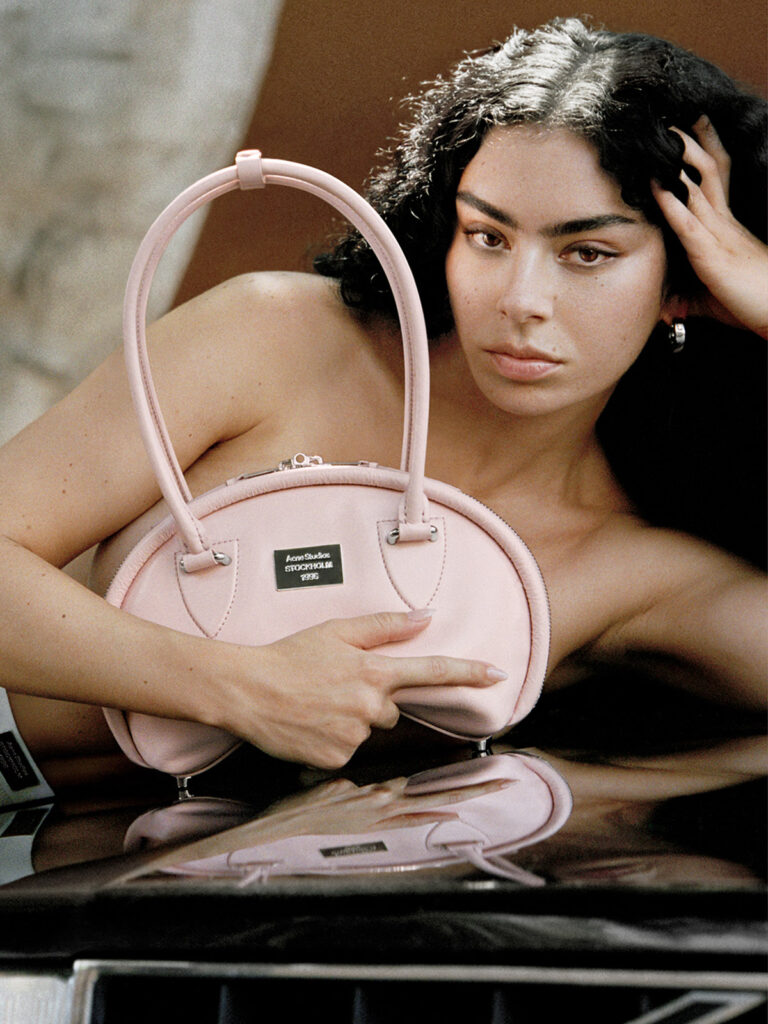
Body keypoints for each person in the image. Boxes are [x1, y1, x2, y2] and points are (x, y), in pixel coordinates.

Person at [0, 17, 765, 792]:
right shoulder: (277, 337)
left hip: (114, 848)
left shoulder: (628, 566)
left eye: (587, 253)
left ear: (684, 283)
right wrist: (240, 686)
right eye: (488, 236)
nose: (522, 300)